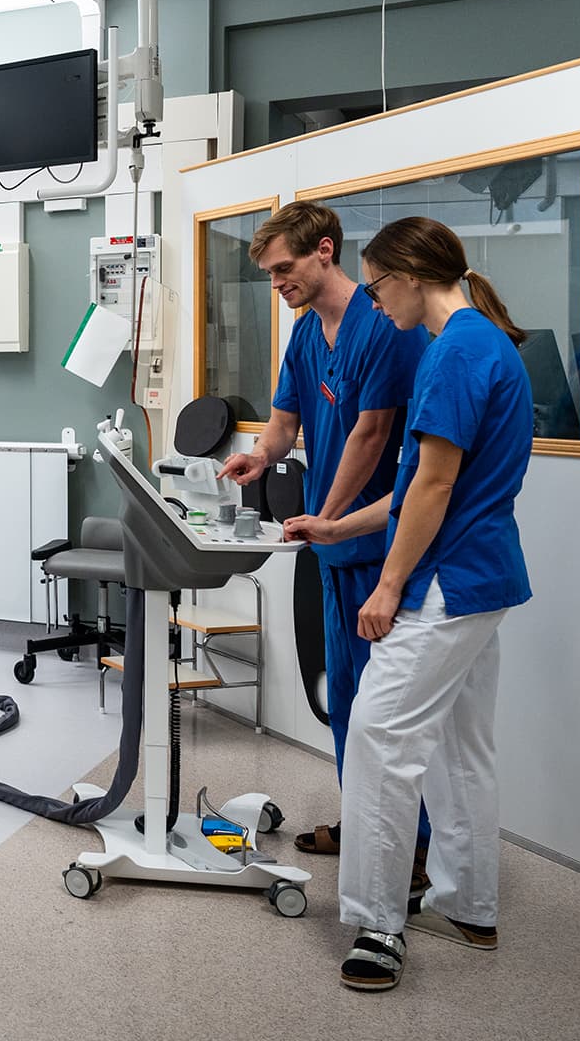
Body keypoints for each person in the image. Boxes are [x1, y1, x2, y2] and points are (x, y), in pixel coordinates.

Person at [281, 216, 534, 992]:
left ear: (414, 275)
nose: (377, 300)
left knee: (381, 743)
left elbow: (432, 486)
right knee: (462, 750)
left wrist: (387, 586)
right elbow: (409, 488)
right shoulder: (482, 343)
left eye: (381, 283)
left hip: (444, 585)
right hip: (482, 580)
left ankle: (377, 927)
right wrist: (334, 523)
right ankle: (468, 907)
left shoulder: (453, 351)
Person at [218, 201, 431, 884]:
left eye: (284, 269)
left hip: (379, 548)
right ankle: (365, 824)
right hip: (332, 552)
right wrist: (259, 455)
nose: (277, 284)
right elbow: (284, 424)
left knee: (386, 711)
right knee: (345, 698)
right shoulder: (308, 334)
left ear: (325, 251)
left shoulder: (385, 326)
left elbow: (371, 437)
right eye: (270, 274)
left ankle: (413, 848)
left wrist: (328, 517)